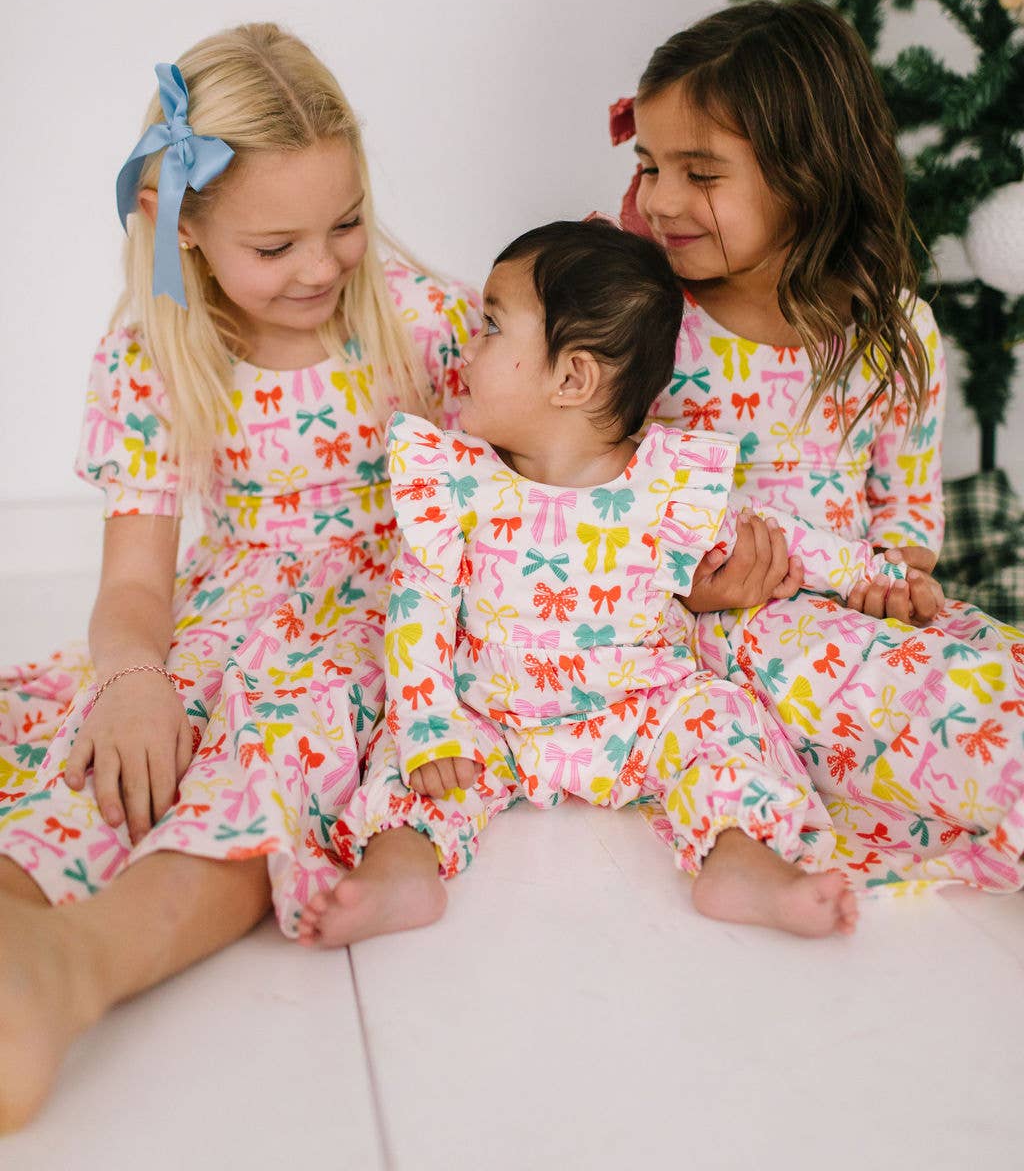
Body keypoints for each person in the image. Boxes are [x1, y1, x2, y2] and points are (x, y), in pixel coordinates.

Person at [0, 23, 477, 1134]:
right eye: (276, 244)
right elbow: (135, 588)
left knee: (263, 776)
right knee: (114, 756)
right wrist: (133, 681)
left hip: (374, 626)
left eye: (346, 223)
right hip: (230, 611)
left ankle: (81, 964)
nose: (321, 266)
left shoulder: (419, 322)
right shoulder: (158, 354)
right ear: (183, 226)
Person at [298, 217, 924, 950]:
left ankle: (741, 859)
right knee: (408, 762)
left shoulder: (667, 483)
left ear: (572, 377)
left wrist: (876, 574)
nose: (466, 351)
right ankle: (400, 871)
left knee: (722, 725)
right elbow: (417, 617)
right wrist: (432, 724)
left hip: (642, 708)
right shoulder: (457, 482)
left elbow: (783, 537)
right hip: (491, 708)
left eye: (491, 328)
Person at [615, 0, 1024, 892]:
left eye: (700, 173)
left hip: (859, 614)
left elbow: (904, 507)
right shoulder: (645, 326)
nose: (661, 200)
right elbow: (585, 499)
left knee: (988, 657)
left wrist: (900, 580)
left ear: (806, 176)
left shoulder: (894, 332)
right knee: (935, 710)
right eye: (649, 166)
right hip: (726, 633)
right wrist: (689, 586)